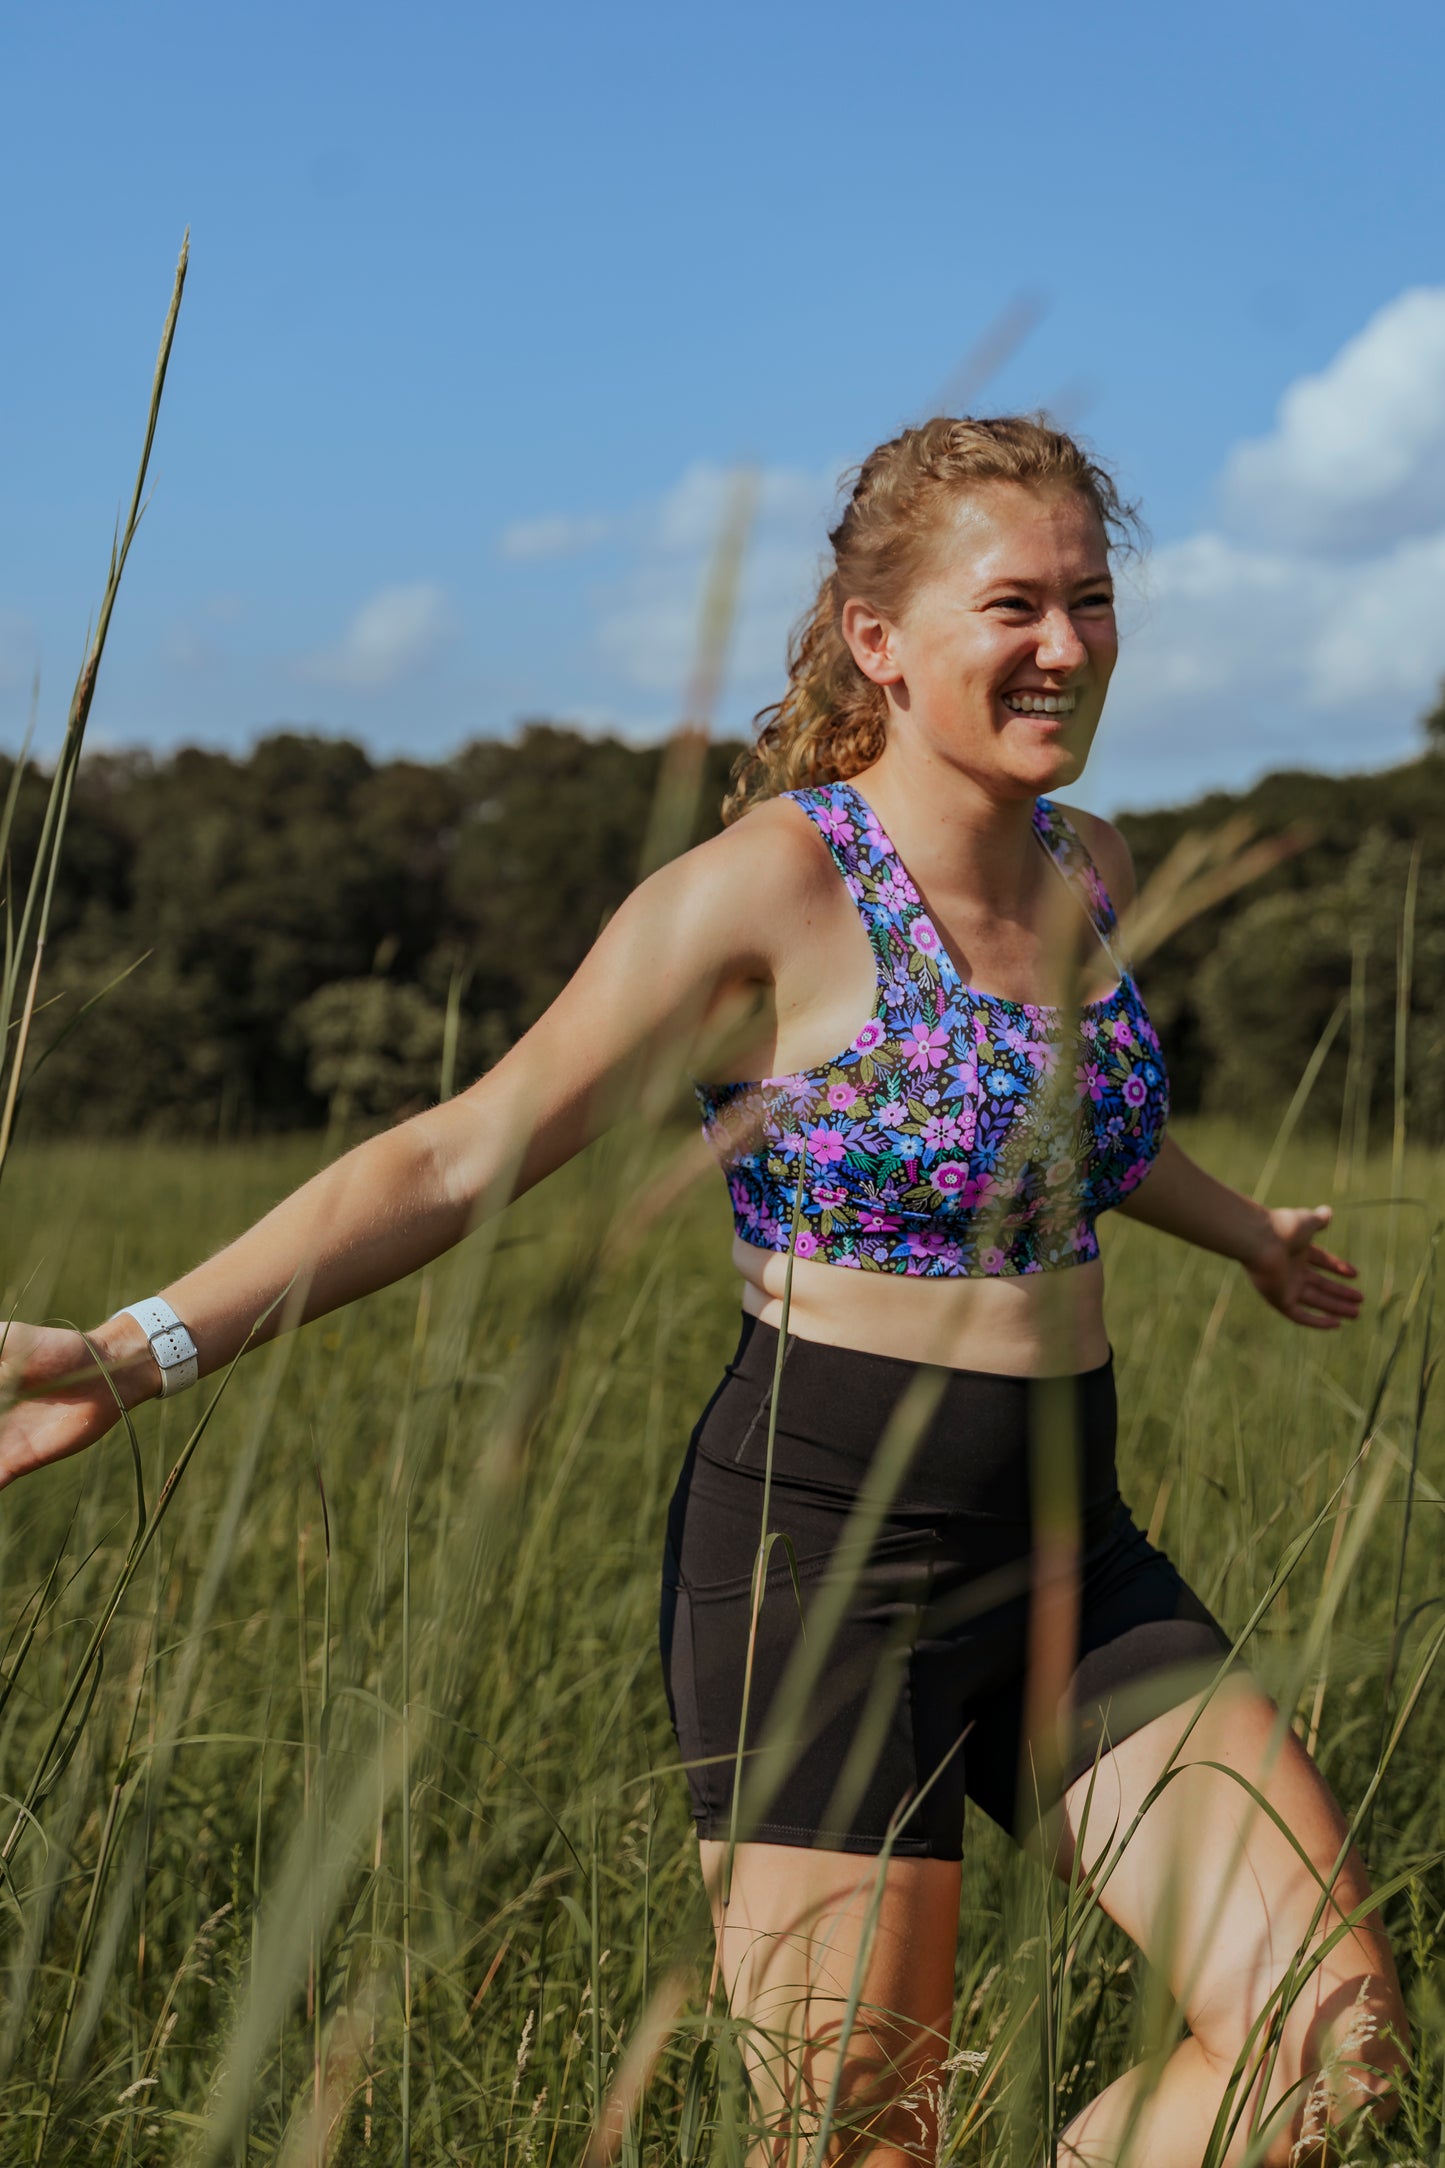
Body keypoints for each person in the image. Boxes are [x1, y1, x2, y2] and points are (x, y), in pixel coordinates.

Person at [0, 416, 1408, 2165]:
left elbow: (1071, 1146)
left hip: (1072, 1550)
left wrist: (1245, 1229)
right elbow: (461, 1152)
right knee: (855, 2143)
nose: (1065, 646)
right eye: (1015, 605)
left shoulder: (1089, 869)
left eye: (1090, 599)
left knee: (1328, 2043)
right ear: (876, 639)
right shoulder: (770, 893)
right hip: (823, 1573)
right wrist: (140, 1349)